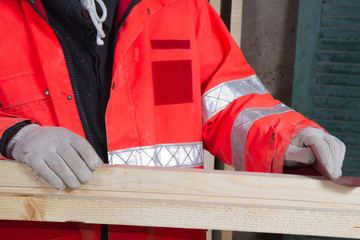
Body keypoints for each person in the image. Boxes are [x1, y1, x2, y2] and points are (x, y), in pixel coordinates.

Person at [0, 0, 345, 239]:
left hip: (164, 230)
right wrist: (15, 137)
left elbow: (227, 105)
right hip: (37, 227)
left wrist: (287, 139)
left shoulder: (183, 9)